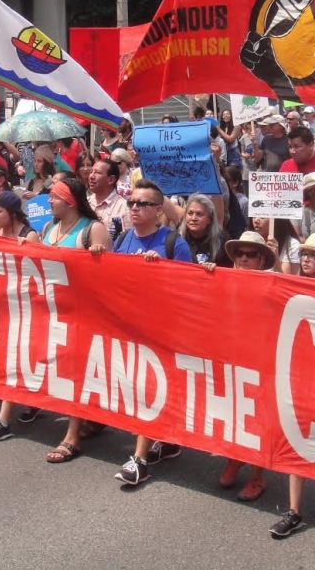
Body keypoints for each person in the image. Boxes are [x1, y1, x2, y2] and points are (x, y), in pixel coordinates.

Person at [0, 178, 108, 455]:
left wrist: (98, 257)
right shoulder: (49, 228)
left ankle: (72, 435)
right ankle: (4, 419)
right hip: (49, 309)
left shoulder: (93, 229)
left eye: (55, 197)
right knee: (20, 357)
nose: (48, 201)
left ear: (70, 201)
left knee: (76, 373)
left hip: (81, 313)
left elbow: (109, 276)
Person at [112, 179, 194, 486]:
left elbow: (189, 288)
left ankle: (140, 460)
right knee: (139, 390)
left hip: (162, 330)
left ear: (158, 210)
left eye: (142, 204)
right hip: (130, 327)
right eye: (132, 203)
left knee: (149, 391)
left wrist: (162, 272)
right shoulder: (122, 240)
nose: (134, 208)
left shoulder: (174, 242)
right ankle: (168, 442)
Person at [269, 232, 315, 538]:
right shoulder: (291, 285)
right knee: (298, 436)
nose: (307, 258)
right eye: (305, 254)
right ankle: (294, 510)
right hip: (298, 373)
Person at [215, 231, 278, 501]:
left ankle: (257, 476)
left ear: (262, 259)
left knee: (259, 417)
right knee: (232, 409)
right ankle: (234, 457)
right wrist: (207, 274)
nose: (243, 258)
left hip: (262, 358)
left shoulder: (273, 284)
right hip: (231, 352)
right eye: (239, 253)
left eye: (250, 254)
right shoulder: (225, 279)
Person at [180, 194, 231, 267]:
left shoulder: (222, 241)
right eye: (190, 213)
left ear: (210, 219)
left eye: (199, 214)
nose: (193, 218)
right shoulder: (177, 239)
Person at [88, 158, 130, 238]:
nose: (91, 176)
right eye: (91, 172)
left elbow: (127, 241)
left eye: (97, 173)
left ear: (111, 179)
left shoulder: (124, 208)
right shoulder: (85, 203)